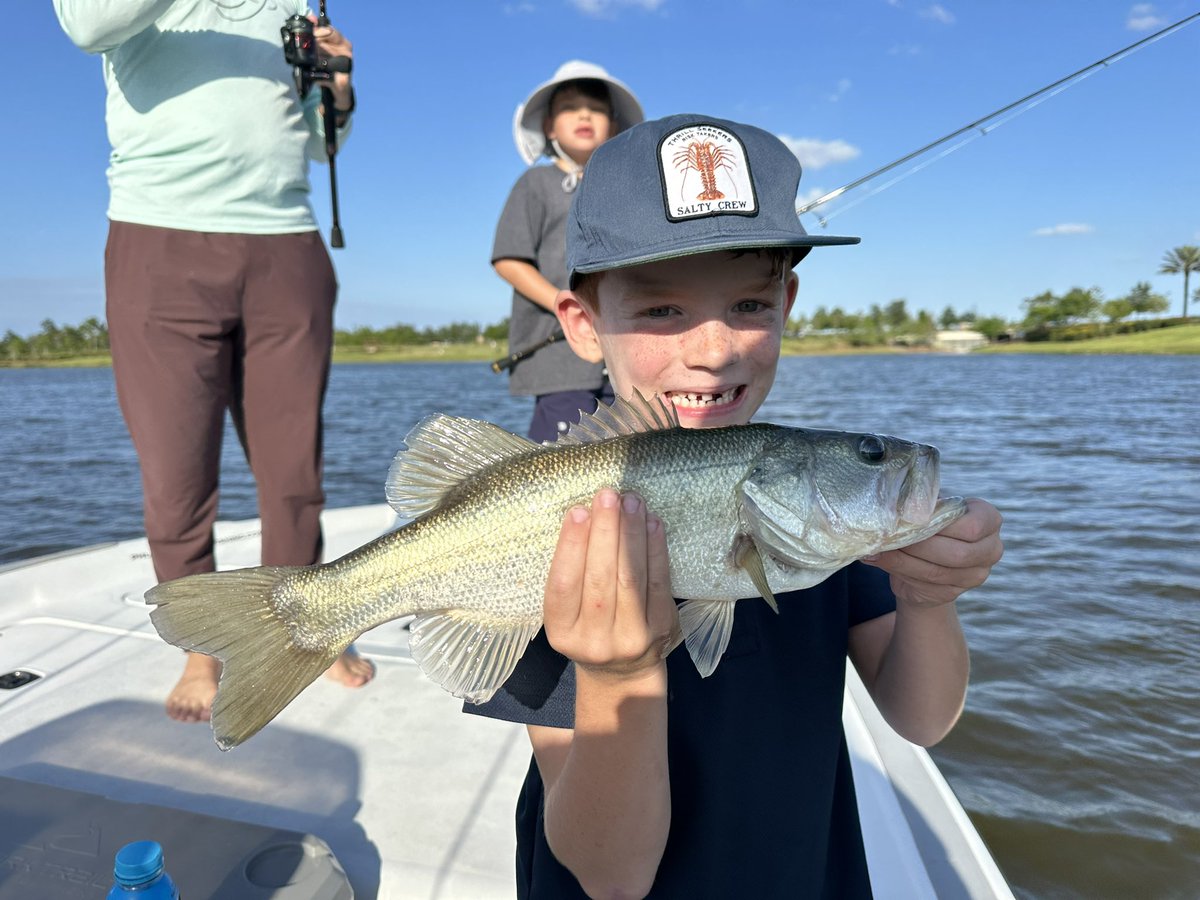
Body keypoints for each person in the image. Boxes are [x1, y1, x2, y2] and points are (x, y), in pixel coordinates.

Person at [467, 114, 1005, 897]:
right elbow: (611, 874)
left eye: (750, 305)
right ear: (582, 326)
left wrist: (928, 598)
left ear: (787, 301)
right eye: (660, 310)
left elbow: (922, 721)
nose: (716, 348)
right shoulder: (549, 531)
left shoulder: (828, 528)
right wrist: (616, 676)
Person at [53, 0, 375, 723]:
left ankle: (304, 633)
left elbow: (323, 144)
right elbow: (85, 26)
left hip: (286, 246)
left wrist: (340, 85)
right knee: (176, 480)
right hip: (157, 238)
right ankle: (202, 648)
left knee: (295, 476)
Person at [493, 60, 644, 443]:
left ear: (613, 124)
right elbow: (509, 260)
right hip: (559, 356)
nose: (584, 115)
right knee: (558, 462)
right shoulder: (536, 183)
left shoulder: (625, 191)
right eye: (570, 107)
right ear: (549, 125)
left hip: (623, 354)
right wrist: (567, 307)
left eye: (595, 109)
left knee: (629, 453)